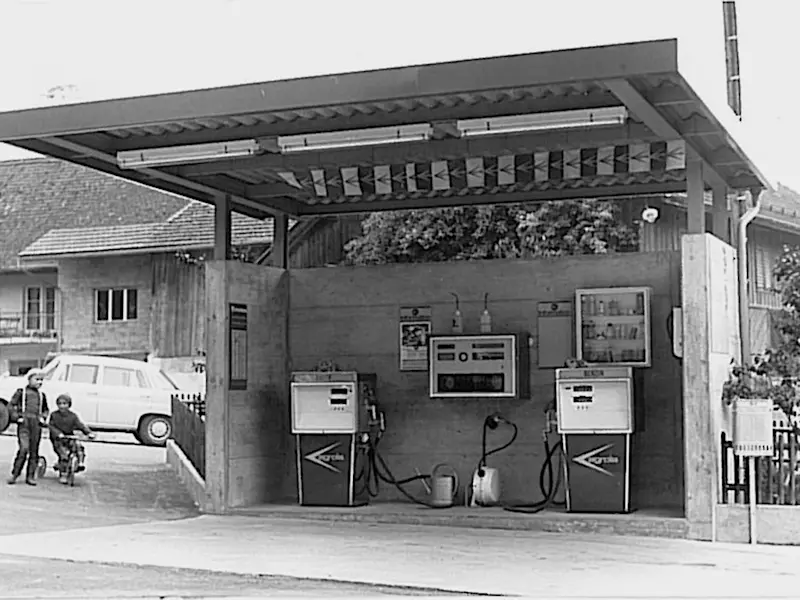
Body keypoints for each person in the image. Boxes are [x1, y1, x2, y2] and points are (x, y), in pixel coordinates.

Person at [7, 369, 49, 486]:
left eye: (41, 380)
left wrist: (43, 417)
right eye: (37, 379)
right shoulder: (21, 392)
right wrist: (17, 417)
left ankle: (30, 476)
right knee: (23, 449)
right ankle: (15, 474)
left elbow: (45, 410)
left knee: (34, 451)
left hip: (36, 424)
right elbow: (11, 406)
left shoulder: (42, 395)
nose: (39, 382)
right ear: (29, 379)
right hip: (24, 423)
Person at [48, 393, 95, 484]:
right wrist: (58, 434)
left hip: (69, 437)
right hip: (58, 439)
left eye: (64, 404)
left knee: (78, 446)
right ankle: (63, 474)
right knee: (64, 454)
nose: (62, 406)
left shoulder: (73, 416)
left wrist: (89, 433)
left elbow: (80, 425)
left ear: (69, 405)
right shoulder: (54, 415)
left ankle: (80, 462)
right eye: (60, 404)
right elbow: (51, 426)